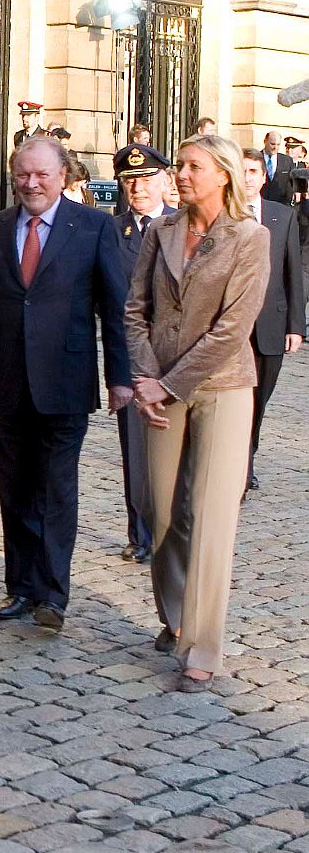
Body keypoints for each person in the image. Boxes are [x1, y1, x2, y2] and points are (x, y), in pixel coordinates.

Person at [0, 136, 131, 632]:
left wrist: (121, 377)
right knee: (15, 488)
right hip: (4, 381)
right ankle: (20, 588)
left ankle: (53, 594)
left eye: (42, 175)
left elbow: (115, 310)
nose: (31, 184)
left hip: (65, 382)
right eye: (23, 175)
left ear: (63, 175)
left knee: (55, 488)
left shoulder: (93, 227)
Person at [127, 135, 269, 691]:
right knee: (160, 510)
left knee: (211, 516)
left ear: (224, 175)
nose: (180, 174)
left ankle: (201, 644)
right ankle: (177, 614)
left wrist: (166, 383)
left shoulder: (249, 238)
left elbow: (233, 329)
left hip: (223, 387)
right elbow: (135, 309)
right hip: (159, 387)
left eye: (192, 167)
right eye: (179, 166)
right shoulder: (161, 232)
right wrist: (145, 378)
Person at [110, 143, 177, 564]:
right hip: (132, 357)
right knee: (135, 450)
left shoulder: (183, 227)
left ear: (165, 181)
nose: (138, 187)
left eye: (147, 179)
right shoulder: (112, 231)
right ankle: (141, 533)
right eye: (130, 180)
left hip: (177, 356)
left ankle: (173, 527)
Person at [240, 148, 304, 492]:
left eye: (253, 172)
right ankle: (239, 466)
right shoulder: (225, 215)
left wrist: (296, 326)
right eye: (243, 171)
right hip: (232, 329)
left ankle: (248, 453)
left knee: (258, 400)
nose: (248, 178)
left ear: (263, 178)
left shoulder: (282, 216)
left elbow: (293, 272)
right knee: (238, 399)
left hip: (270, 326)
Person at [259, 132, 297, 206]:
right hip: (260, 205)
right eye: (272, 144)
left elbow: (293, 182)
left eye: (278, 144)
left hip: (281, 205)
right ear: (265, 142)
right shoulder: (256, 158)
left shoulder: (287, 160)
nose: (275, 147)